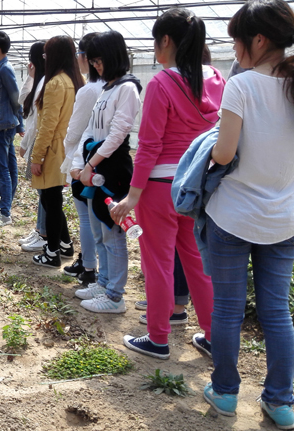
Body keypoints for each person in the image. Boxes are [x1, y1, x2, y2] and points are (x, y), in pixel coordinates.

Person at [200, 1, 294, 427]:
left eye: (237, 40)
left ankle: (225, 393)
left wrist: (206, 150)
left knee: (227, 309)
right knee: (277, 312)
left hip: (234, 216)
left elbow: (224, 153)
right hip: (284, 219)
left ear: (258, 39)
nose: (235, 49)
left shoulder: (242, 85)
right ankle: (280, 401)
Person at [111, 9, 224, 358]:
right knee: (197, 262)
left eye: (155, 42)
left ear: (166, 40)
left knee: (157, 262)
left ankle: (158, 338)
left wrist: (132, 196)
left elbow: (149, 145)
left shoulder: (162, 83)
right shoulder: (216, 78)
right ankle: (213, 336)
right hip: (197, 185)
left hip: (160, 188)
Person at [70, 30, 142, 313]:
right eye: (93, 61)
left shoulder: (127, 88)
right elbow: (90, 130)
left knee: (113, 233)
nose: (96, 65)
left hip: (112, 169)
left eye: (100, 60)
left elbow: (117, 134)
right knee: (99, 229)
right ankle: (103, 282)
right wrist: (79, 164)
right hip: (94, 166)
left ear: (113, 56)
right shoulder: (105, 89)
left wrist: (90, 164)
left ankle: (115, 295)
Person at [30, 35, 83, 267]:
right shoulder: (78, 80)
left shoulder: (54, 84)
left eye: (46, 54)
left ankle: (52, 253)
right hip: (69, 147)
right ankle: (65, 244)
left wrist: (37, 156)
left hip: (53, 148)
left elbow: (47, 125)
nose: (44, 58)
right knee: (53, 199)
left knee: (50, 200)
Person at [60, 32, 105, 281]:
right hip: (100, 158)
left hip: (83, 159)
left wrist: (67, 152)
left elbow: (75, 130)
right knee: (98, 219)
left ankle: (89, 267)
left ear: (87, 57)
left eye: (79, 54)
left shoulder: (89, 90)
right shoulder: (112, 87)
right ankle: (91, 266)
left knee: (87, 218)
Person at [0, 31, 25, 227]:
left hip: (2, 127)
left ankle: (5, 212)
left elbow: (16, 98)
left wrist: (20, 124)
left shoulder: (5, 70)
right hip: (2, 126)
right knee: (9, 169)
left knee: (2, 171)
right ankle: (5, 206)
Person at [17, 42, 47, 252]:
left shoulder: (46, 82)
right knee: (40, 191)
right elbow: (22, 100)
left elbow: (37, 121)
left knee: (44, 192)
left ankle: (44, 233)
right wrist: (30, 76)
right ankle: (40, 229)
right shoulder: (40, 81)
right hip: (36, 140)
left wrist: (25, 143)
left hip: (39, 142)